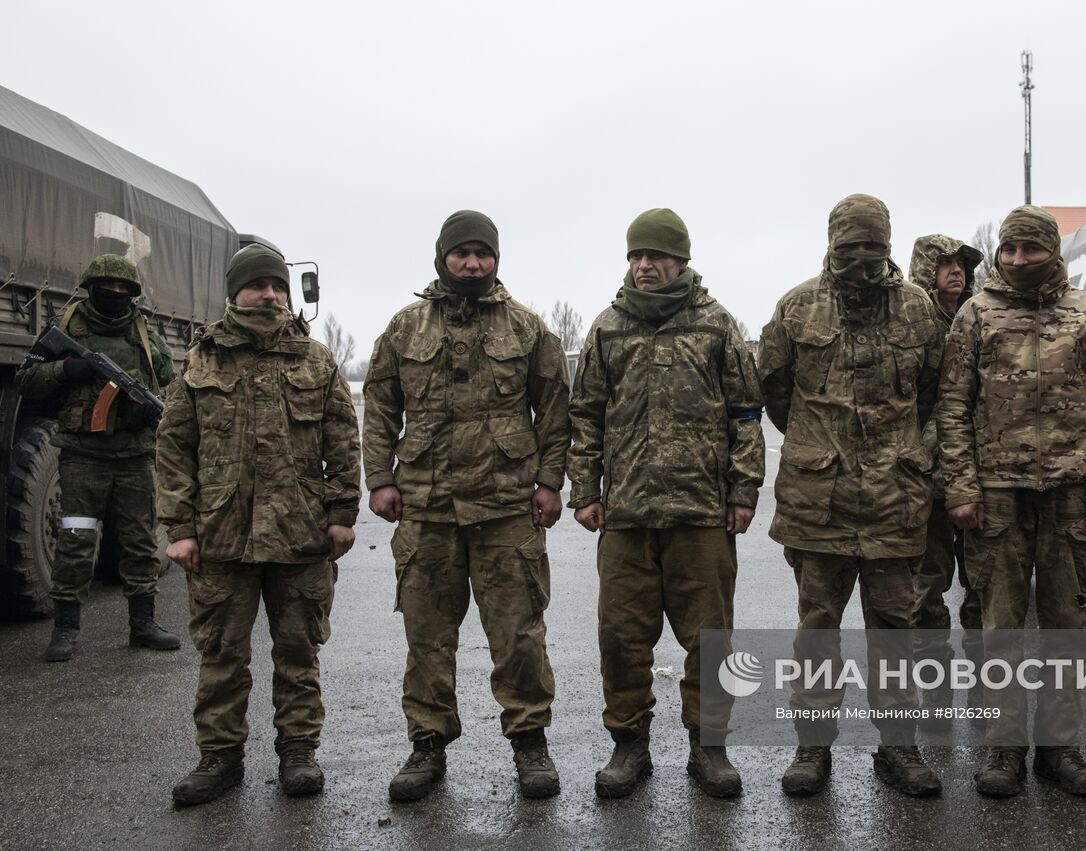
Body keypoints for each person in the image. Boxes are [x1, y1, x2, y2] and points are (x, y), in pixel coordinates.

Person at [362, 211, 570, 802]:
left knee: (519, 636)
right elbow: (378, 408)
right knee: (427, 636)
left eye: (483, 253)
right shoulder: (405, 328)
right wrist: (380, 478)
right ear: (442, 258)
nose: (473, 263)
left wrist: (549, 482)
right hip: (427, 508)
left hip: (506, 508)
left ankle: (530, 743)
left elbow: (555, 413)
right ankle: (427, 745)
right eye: (462, 254)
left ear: (496, 260)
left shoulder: (528, 328)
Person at [568, 208, 764, 799]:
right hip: (626, 515)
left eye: (656, 255)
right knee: (622, 639)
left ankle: (710, 748)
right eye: (636, 256)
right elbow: (586, 415)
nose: (645, 265)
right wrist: (585, 492)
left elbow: (746, 415)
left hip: (701, 514)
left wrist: (744, 490)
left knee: (710, 639)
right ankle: (629, 748)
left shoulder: (716, 325)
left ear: (682, 260)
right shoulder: (607, 327)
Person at [936, 205, 1086, 798]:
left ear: (1051, 252)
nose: (1019, 260)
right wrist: (962, 486)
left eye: (1032, 250)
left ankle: (1061, 747)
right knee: (1001, 628)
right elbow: (952, 407)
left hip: (1071, 494)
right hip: (997, 494)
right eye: (1011, 250)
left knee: (1068, 626)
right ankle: (1003, 747)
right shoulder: (976, 312)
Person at [156, 243, 361, 805]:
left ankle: (298, 753)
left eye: (277, 286)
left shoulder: (314, 360)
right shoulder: (201, 361)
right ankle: (219, 759)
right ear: (235, 292)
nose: (269, 295)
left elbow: (343, 441)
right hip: (222, 539)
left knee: (299, 653)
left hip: (300, 537)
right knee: (222, 655)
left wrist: (342, 515)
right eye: (257, 286)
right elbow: (174, 448)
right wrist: (181, 529)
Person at [759, 194, 944, 798]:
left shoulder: (918, 309)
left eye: (873, 246)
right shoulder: (796, 306)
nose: (862, 257)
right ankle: (812, 748)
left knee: (895, 627)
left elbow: (937, 392)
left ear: (889, 244)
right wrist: (822, 445)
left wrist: (909, 453)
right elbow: (777, 394)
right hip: (821, 502)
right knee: (817, 628)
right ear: (832, 241)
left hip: (896, 499)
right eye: (851, 245)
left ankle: (900, 749)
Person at [17, 254, 179, 662]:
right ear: (92, 287)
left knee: (141, 542)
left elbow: (169, 382)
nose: (117, 294)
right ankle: (66, 628)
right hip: (82, 455)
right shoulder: (68, 327)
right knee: (74, 540)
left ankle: (143, 624)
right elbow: (26, 380)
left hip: (134, 455)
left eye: (125, 289)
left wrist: (148, 407)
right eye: (109, 287)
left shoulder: (144, 331)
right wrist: (65, 371)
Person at [906, 234, 984, 721]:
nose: (955, 272)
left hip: (981, 474)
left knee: (984, 584)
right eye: (945, 265)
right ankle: (933, 687)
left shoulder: (981, 315)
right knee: (927, 587)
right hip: (928, 479)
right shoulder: (914, 323)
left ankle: (983, 682)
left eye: (961, 264)